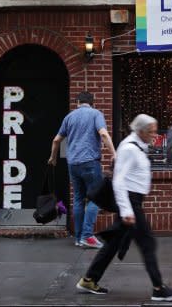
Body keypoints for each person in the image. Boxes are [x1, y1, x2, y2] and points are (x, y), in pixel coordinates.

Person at [76, 114, 172, 301]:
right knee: (147, 243)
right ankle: (158, 288)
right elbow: (118, 181)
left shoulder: (139, 146)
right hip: (130, 203)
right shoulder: (129, 148)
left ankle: (89, 279)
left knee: (113, 244)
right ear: (140, 131)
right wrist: (126, 211)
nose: (155, 134)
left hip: (132, 201)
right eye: (151, 131)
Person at [48, 91, 115, 249]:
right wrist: (114, 153)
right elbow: (104, 134)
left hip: (73, 164)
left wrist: (53, 158)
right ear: (92, 102)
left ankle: (78, 238)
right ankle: (87, 236)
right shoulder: (95, 114)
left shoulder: (69, 117)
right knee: (95, 198)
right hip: (90, 162)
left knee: (78, 199)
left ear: (78, 102)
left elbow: (56, 139)